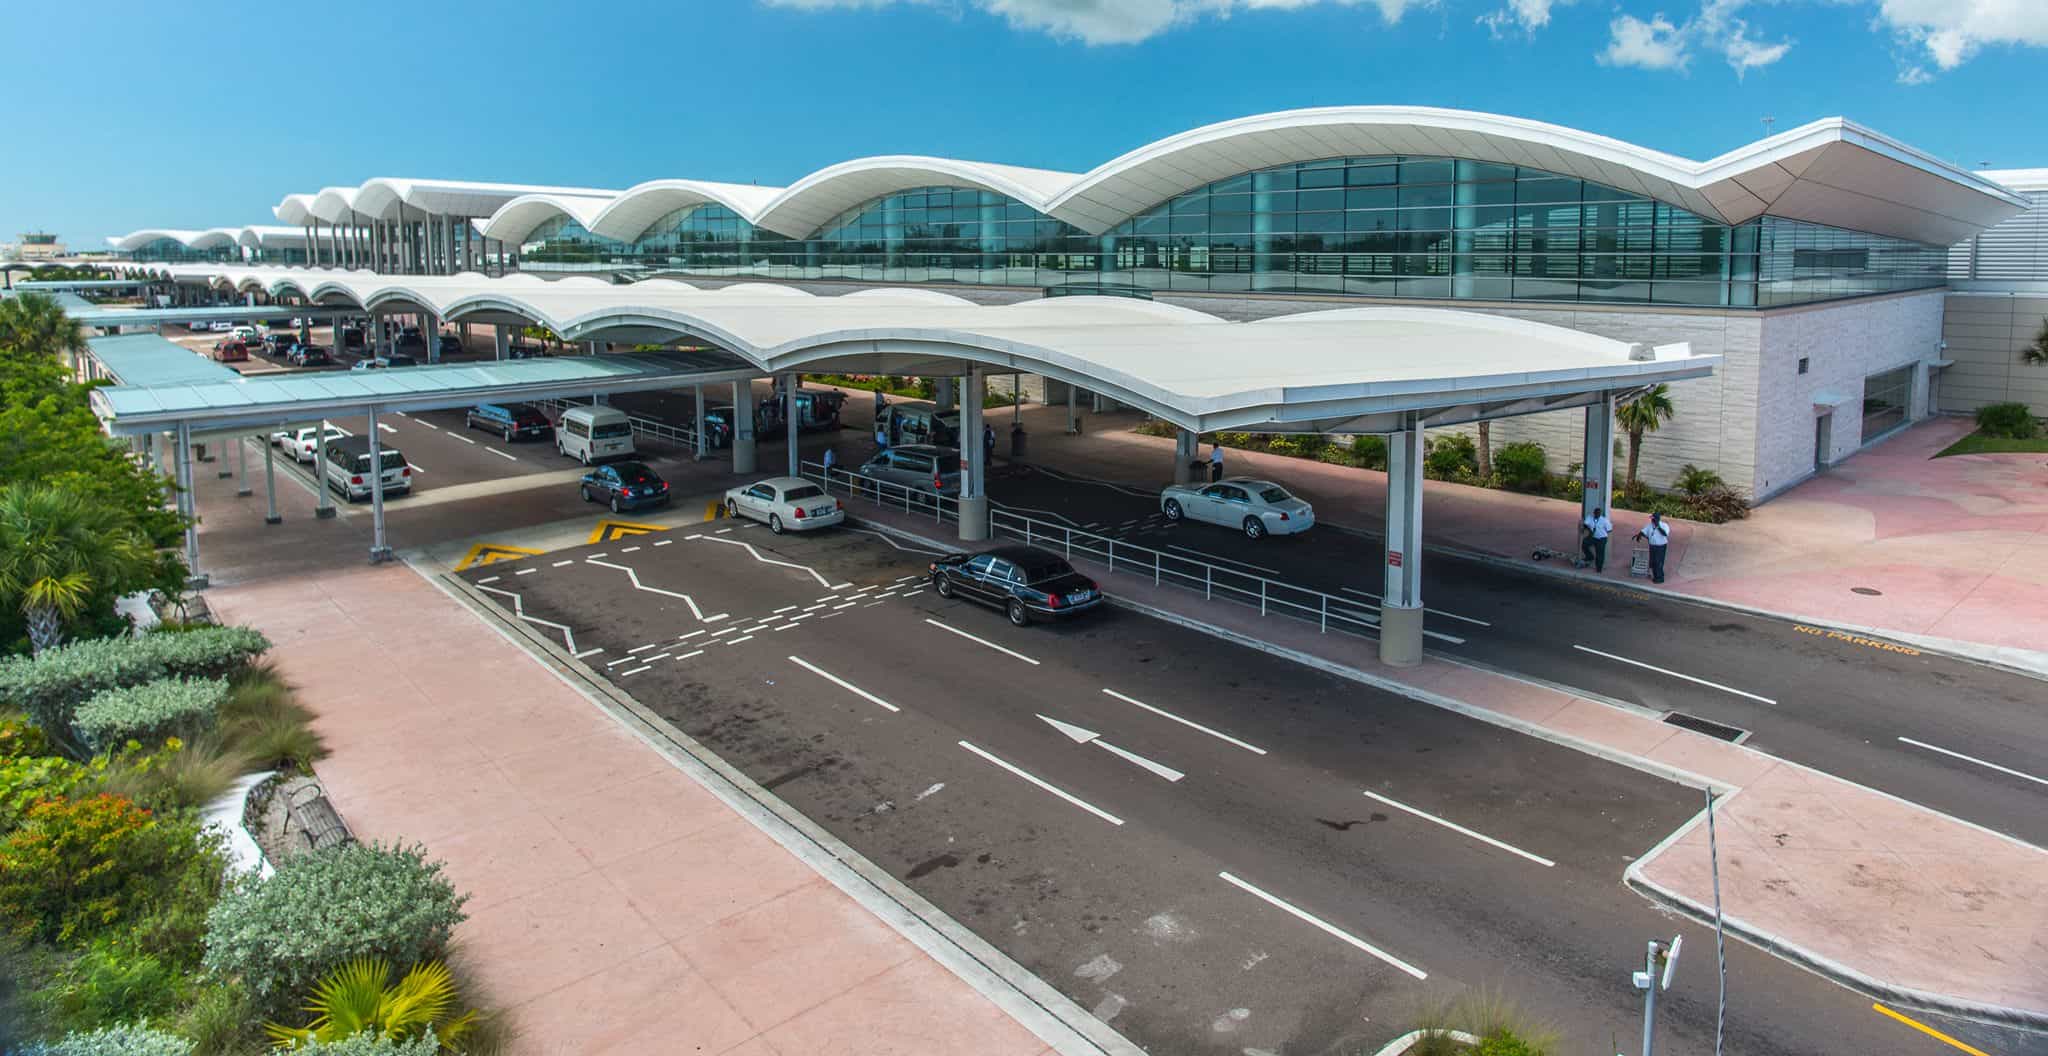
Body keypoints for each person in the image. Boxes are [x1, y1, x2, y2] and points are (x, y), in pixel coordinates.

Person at [1634, 511, 1671, 583]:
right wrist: (1639, 535)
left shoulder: (1664, 525)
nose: (1651, 520)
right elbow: (1643, 531)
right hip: (1652, 546)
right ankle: (1655, 576)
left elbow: (1665, 534)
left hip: (1661, 547)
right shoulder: (1650, 525)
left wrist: (1658, 527)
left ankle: (1660, 578)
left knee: (1659, 562)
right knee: (1653, 562)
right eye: (1651, 519)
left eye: (1653, 519)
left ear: (1657, 519)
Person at [1581, 507, 1612, 572]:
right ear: (1594, 513)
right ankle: (1590, 556)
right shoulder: (1590, 518)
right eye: (1596, 513)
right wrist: (1590, 530)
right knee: (1584, 543)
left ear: (1600, 514)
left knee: (1600, 553)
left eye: (1598, 513)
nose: (1597, 514)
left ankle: (1599, 568)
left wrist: (1600, 531)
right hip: (1593, 537)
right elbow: (1585, 524)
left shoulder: (1604, 520)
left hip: (1601, 538)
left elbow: (1609, 530)